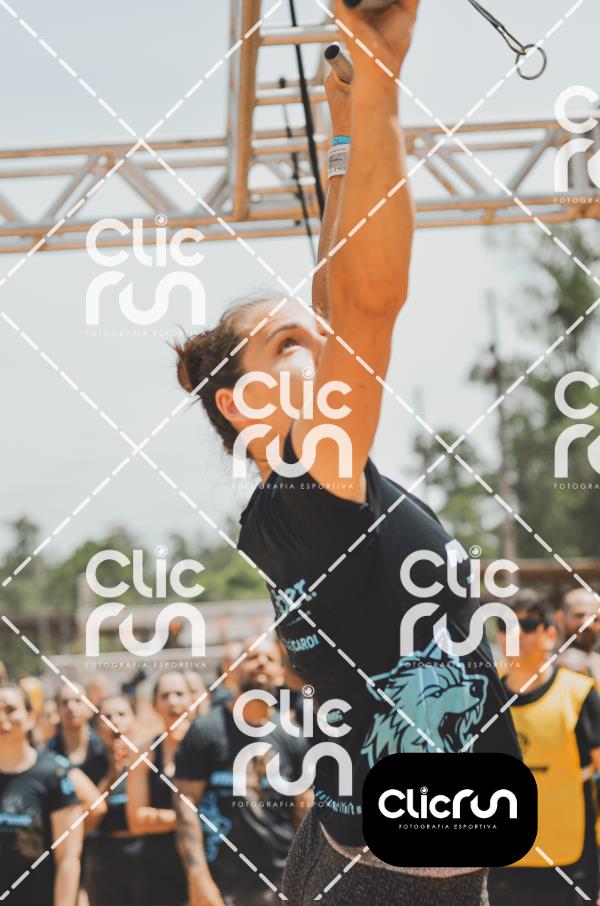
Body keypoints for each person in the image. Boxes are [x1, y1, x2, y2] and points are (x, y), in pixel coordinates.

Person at [173, 2, 519, 903]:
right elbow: (365, 306)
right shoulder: (307, 496)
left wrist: (342, 128)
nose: (318, 344)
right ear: (242, 405)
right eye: (287, 346)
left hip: (359, 851)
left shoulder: (294, 498)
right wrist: (380, 84)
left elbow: (335, 300)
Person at [173, 637, 312, 906]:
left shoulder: (293, 736)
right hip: (223, 884)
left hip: (282, 881)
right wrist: (198, 878)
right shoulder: (206, 730)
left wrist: (305, 876)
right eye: (251, 657)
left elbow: (303, 813)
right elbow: (185, 808)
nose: (261, 663)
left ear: (280, 673)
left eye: (270, 659)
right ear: (234, 670)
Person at [488, 590, 600, 906]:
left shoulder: (579, 694)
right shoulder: (484, 697)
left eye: (527, 626)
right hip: (501, 872)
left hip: (570, 866)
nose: (515, 636)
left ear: (550, 634)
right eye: (506, 626)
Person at [0, 683, 83, 906]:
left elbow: (68, 858)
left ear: (30, 717)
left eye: (10, 710)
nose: (2, 718)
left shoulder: (53, 774)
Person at [127, 671, 191, 906]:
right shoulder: (145, 754)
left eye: (179, 694)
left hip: (209, 865)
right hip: (158, 872)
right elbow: (137, 821)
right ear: (154, 705)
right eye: (165, 696)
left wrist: (162, 818)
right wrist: (191, 819)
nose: (172, 701)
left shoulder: (212, 746)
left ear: (192, 699)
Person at [83, 694, 142, 906]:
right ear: (97, 727)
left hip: (144, 853)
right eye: (107, 717)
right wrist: (112, 775)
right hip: (104, 856)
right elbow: (87, 815)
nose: (115, 721)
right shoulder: (91, 764)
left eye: (121, 714)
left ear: (135, 719)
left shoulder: (149, 760)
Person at [48, 681, 108, 786]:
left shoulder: (105, 750)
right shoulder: (48, 754)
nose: (71, 707)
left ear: (90, 708)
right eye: (65, 702)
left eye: (78, 700)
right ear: (57, 710)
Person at [555, 588, 600, 686]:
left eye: (595, 619)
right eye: (579, 615)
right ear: (560, 618)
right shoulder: (543, 664)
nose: (588, 624)